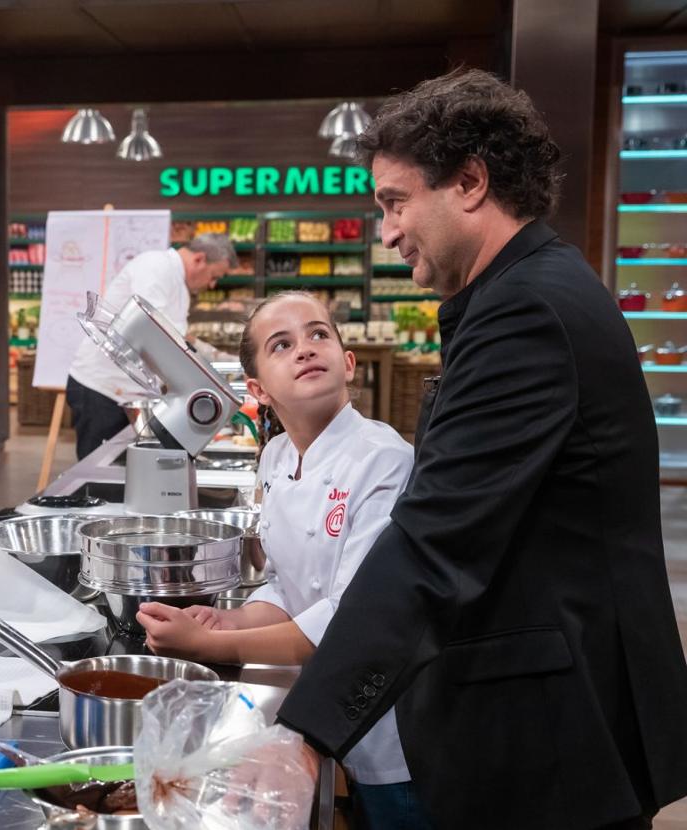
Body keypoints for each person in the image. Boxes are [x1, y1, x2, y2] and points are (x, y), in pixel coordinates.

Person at [266, 69, 687, 830]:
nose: (386, 231)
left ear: (469, 182)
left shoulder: (525, 312)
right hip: (559, 706)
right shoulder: (525, 292)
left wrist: (309, 727)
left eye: (395, 203)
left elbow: (434, 544)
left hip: (559, 732)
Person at [136, 291, 430, 829]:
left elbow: (348, 617)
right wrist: (230, 618)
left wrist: (213, 644)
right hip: (328, 698)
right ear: (258, 391)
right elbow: (285, 585)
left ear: (348, 363)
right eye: (282, 344)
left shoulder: (384, 460)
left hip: (392, 720)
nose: (305, 349)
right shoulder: (274, 458)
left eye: (319, 334)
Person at [66, 234, 236, 459]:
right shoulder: (156, 267)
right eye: (214, 276)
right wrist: (215, 361)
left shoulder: (179, 285)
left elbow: (179, 339)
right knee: (99, 470)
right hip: (101, 388)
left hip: (129, 391)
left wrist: (217, 360)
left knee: (124, 472)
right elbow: (158, 333)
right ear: (200, 259)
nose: (212, 284)